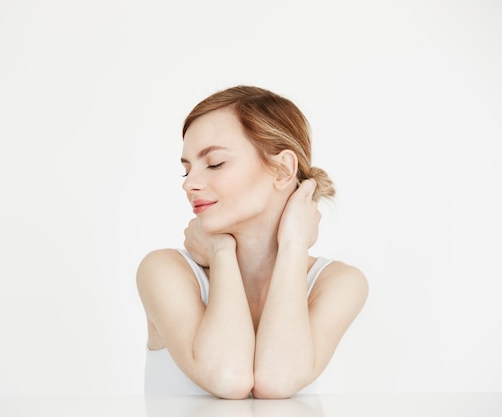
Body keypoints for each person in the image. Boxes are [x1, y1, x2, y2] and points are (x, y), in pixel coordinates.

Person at [136, 86, 368, 399]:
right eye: (186, 170)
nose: (190, 184)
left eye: (215, 163)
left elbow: (277, 379)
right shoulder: (164, 271)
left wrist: (293, 246)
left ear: (283, 170)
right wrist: (221, 252)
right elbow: (227, 376)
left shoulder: (338, 283)